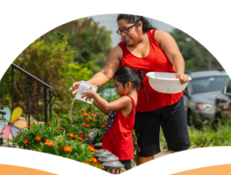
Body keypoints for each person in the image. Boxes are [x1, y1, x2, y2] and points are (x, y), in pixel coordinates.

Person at [71, 14, 190, 166]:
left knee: (179, 150)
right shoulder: (119, 50)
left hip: (171, 102)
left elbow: (175, 55)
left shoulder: (159, 36)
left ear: (139, 25)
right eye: (120, 31)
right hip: (142, 108)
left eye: (126, 30)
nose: (123, 35)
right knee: (145, 152)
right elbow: (105, 73)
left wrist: (179, 72)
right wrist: (85, 84)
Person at [81, 66, 145, 171]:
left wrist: (94, 95)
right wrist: (93, 99)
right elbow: (107, 110)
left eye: (117, 86)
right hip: (116, 142)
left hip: (120, 145)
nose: (115, 90)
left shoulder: (128, 99)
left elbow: (107, 106)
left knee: (124, 173)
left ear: (128, 84)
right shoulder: (126, 98)